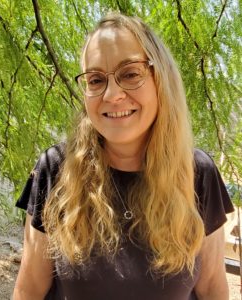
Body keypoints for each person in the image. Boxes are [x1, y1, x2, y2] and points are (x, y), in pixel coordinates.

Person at [13, 12, 234, 300]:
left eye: (130, 73)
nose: (112, 94)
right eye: (95, 80)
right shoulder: (57, 170)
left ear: (160, 79)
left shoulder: (198, 173)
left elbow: (212, 286)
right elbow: (29, 288)